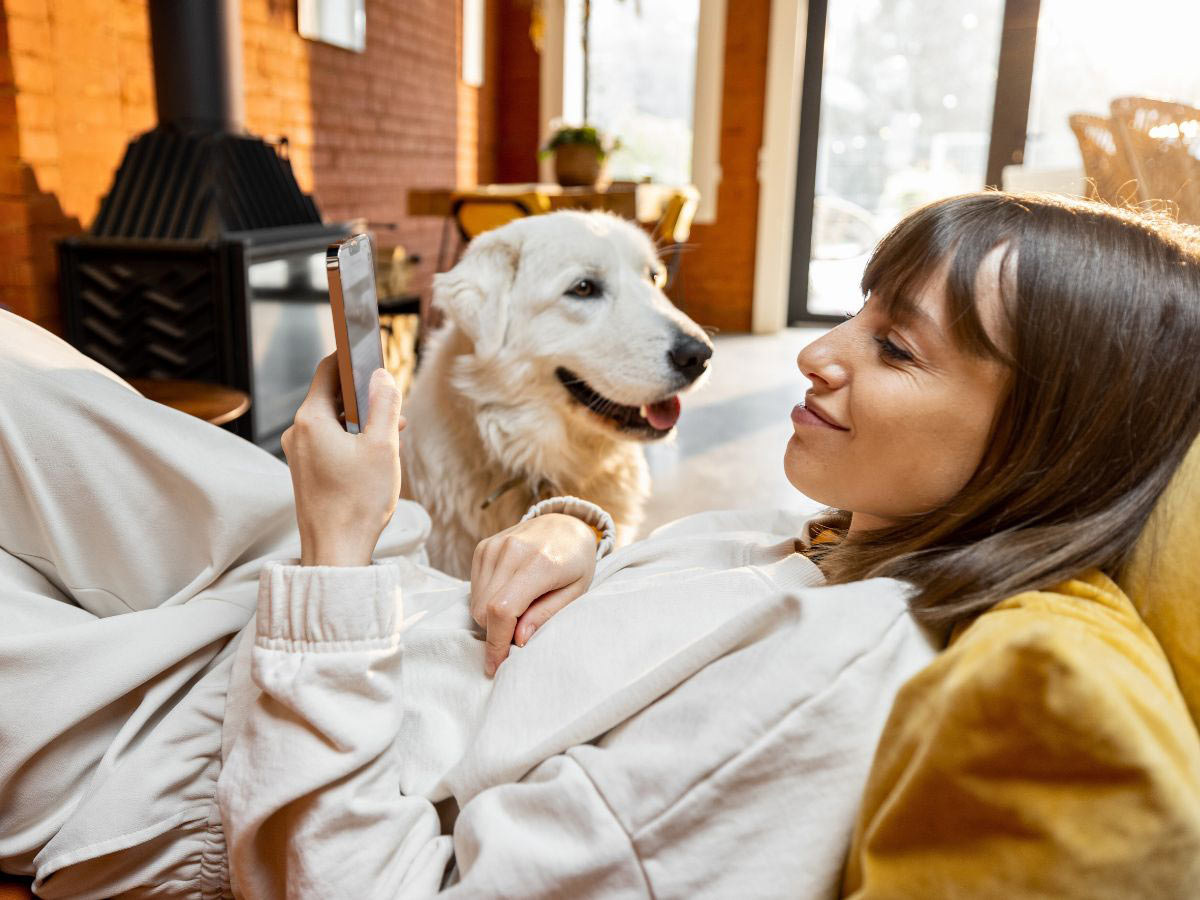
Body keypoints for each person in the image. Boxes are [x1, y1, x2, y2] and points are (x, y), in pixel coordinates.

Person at [1, 192, 1198, 898]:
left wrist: (335, 549)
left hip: (233, 761)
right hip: (370, 615)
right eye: (859, 314)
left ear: (1045, 439)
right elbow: (653, 630)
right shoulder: (851, 536)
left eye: (895, 348)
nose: (816, 353)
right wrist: (577, 528)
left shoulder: (825, 687)